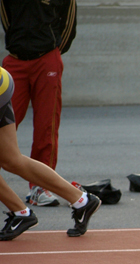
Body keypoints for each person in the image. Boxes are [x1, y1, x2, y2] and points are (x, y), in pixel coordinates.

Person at [0, 67, 100, 241]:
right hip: (3, 82)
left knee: (11, 159)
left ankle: (20, 212)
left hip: (2, 85)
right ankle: (81, 200)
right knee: (11, 159)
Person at [1, 0, 77, 207]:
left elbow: (69, 22)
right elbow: (7, 19)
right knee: (3, 127)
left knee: (46, 125)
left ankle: (39, 188)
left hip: (47, 60)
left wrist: (51, 48)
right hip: (14, 61)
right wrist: (20, 44)